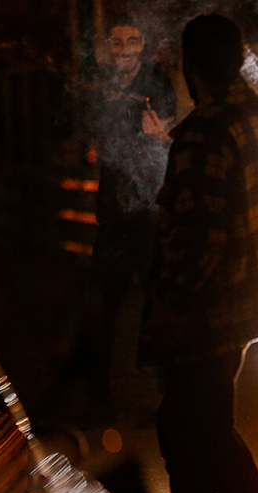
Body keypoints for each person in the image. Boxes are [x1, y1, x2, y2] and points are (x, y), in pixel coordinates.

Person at [139, 13, 258, 493]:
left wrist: (170, 303)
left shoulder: (205, 129)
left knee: (199, 432)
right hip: (237, 305)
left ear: (190, 65)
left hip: (203, 313)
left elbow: (197, 234)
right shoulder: (252, 113)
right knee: (192, 429)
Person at [82, 13, 176, 421]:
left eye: (132, 42)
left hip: (150, 213)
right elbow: (85, 133)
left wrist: (156, 134)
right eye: (117, 43)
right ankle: (98, 401)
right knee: (100, 308)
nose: (124, 51)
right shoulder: (98, 88)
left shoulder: (157, 83)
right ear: (107, 48)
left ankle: (169, 398)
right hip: (113, 217)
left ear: (143, 45)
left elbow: (165, 131)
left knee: (160, 306)